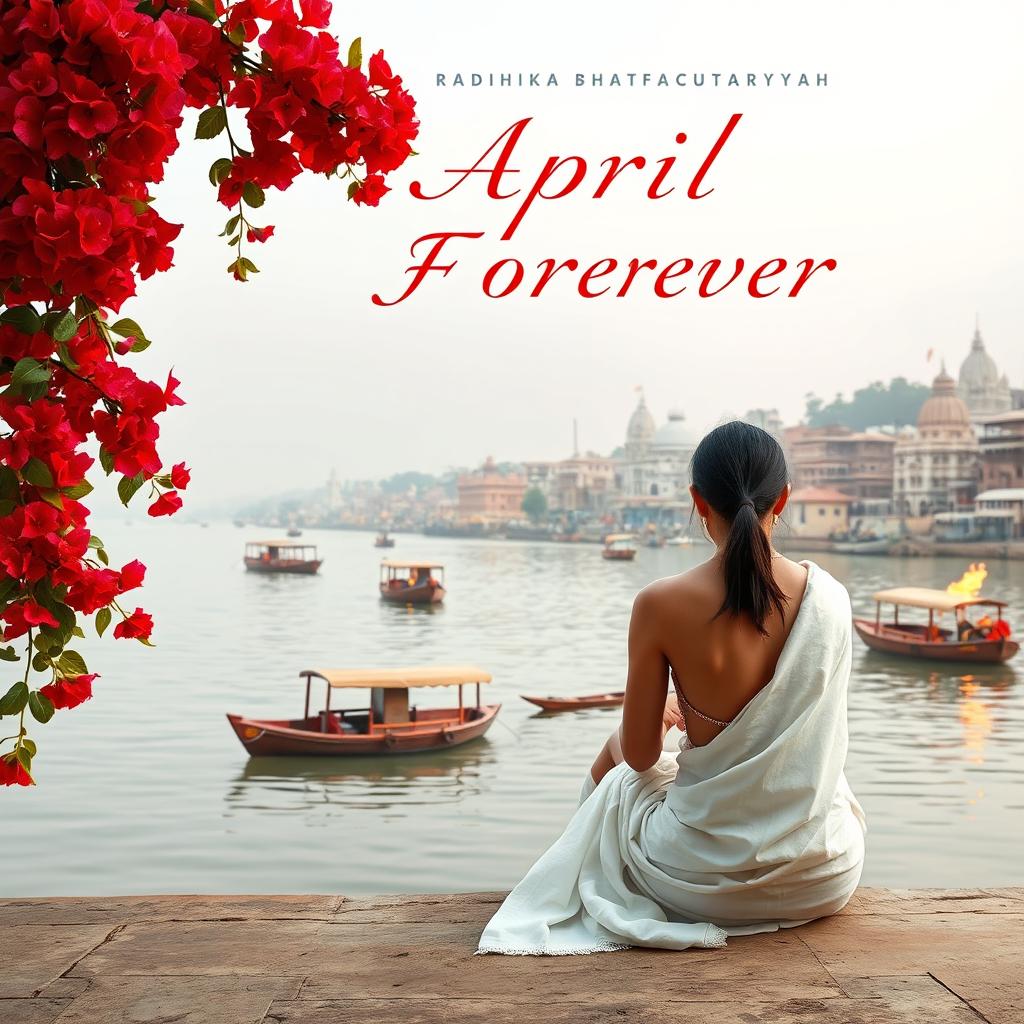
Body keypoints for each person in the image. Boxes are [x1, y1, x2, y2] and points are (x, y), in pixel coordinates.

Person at [479, 420, 866, 955]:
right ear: (784, 499)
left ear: (697, 501)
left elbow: (639, 756)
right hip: (822, 876)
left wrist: (664, 715)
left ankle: (578, 872)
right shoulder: (832, 599)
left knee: (616, 771)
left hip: (696, 883)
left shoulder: (660, 604)